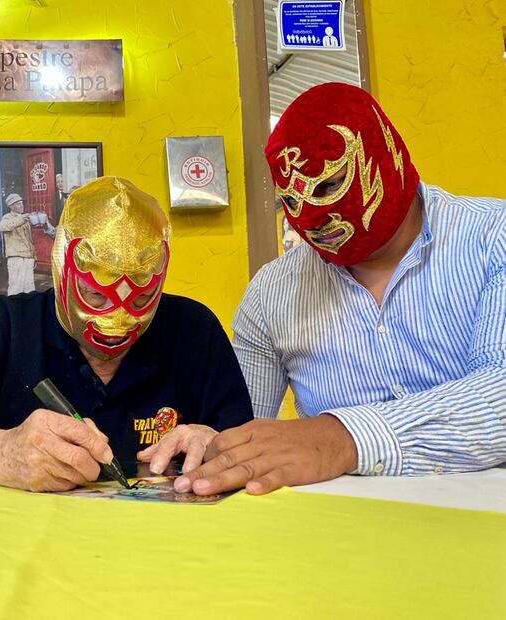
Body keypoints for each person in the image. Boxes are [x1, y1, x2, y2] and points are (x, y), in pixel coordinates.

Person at [175, 82, 506, 497]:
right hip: (344, 539)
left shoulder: (495, 237)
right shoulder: (272, 292)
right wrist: (212, 440)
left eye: (329, 186)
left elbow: (501, 391)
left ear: (384, 153)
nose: (311, 217)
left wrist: (341, 439)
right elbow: (244, 426)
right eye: (291, 203)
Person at [0, 176, 253, 492]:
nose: (117, 320)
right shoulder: (3, 328)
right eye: (95, 294)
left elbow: (248, 452)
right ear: (61, 271)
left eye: (142, 296)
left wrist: (216, 442)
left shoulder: (194, 330)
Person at [0, 193, 36, 295]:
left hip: (28, 256)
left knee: (29, 287)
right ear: (11, 206)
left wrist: (34, 256)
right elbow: (3, 227)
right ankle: (14, 309)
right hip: (16, 257)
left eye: (22, 203)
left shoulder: (25, 219)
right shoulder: (7, 217)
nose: (22, 205)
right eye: (18, 204)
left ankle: (28, 309)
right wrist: (22, 218)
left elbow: (29, 239)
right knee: (16, 287)